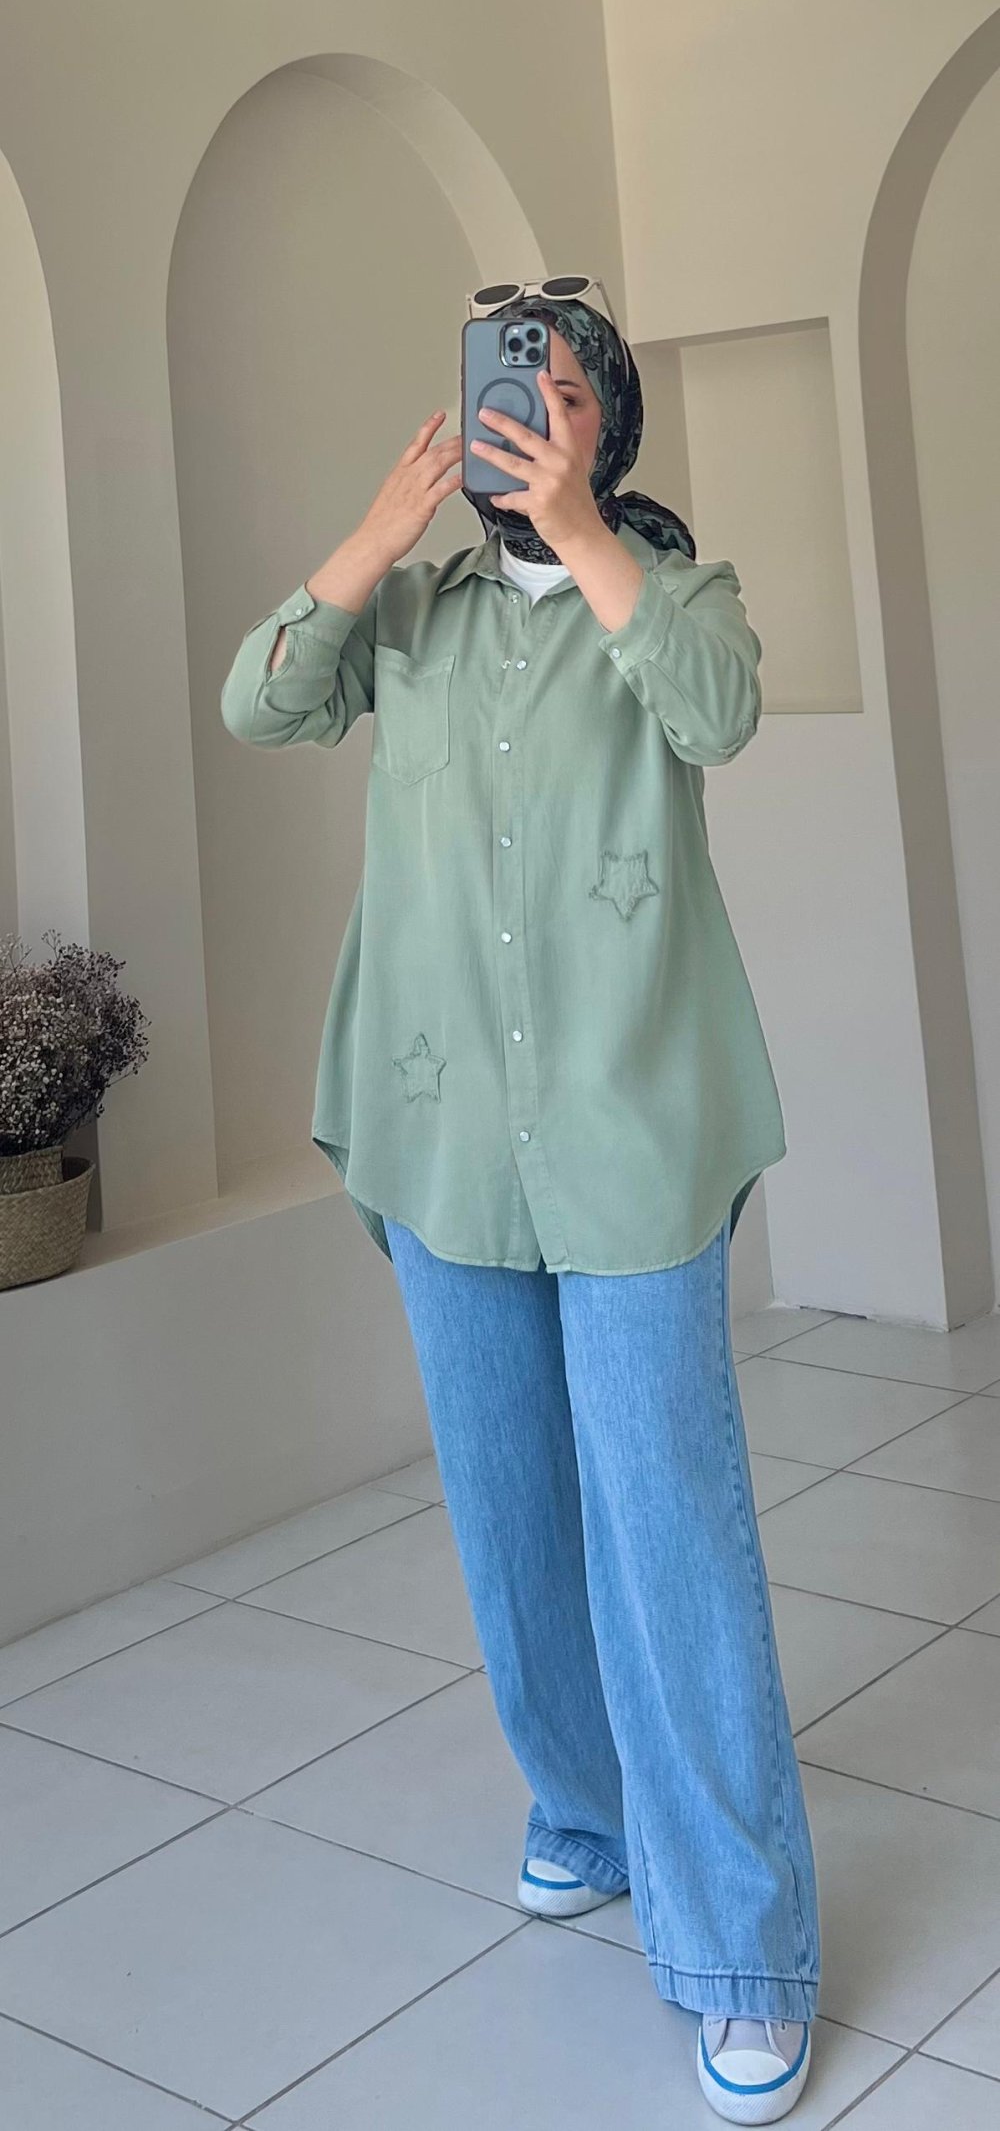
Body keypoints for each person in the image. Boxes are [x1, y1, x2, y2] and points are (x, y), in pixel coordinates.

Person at [221, 287, 821, 2123]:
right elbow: (260, 702)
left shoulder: (673, 593)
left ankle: (742, 1953)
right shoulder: (415, 610)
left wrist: (582, 533)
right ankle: (583, 1803)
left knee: (670, 1533)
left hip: (632, 1136)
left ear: (604, 423)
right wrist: (371, 537)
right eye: (500, 383)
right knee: (507, 1512)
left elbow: (719, 712)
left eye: (556, 387)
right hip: (442, 1137)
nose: (522, 409)